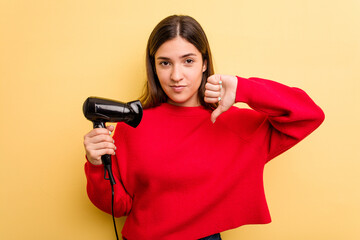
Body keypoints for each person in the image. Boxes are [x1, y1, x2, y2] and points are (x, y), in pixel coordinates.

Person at [83, 15, 325, 240]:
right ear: (154, 68)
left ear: (204, 63)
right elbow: (118, 207)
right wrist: (96, 166)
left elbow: (308, 115)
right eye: (165, 63)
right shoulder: (131, 126)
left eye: (188, 61)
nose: (176, 75)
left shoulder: (236, 124)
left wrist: (244, 88)